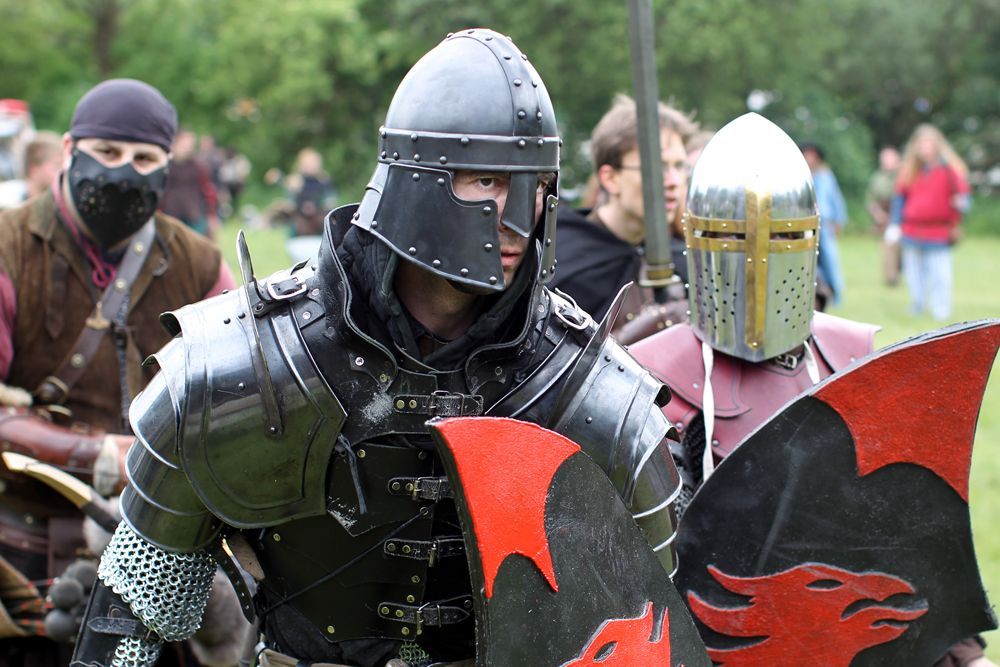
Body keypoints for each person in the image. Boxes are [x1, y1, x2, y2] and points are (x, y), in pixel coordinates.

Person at [71, 31, 682, 667]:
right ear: (414, 184)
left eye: (536, 185)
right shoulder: (241, 365)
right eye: (487, 181)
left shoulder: (593, 396)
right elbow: (129, 617)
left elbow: (650, 635)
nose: (515, 218)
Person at [630, 112, 991, 667]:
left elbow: (906, 536)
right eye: (730, 237)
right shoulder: (649, 378)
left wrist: (961, 654)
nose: (756, 267)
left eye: (783, 237)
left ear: (812, 239)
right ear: (696, 237)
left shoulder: (849, 359)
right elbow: (632, 575)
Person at [0, 78, 238, 665]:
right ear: (68, 149)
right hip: (20, 542)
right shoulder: (8, 246)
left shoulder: (200, 264)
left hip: (162, 552)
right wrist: (103, 456)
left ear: (166, 166)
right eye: (106, 152)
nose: (124, 171)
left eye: (144, 159)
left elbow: (238, 405)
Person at [549, 94, 696, 342]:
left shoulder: (681, 258)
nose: (674, 181)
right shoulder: (559, 258)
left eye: (680, 166)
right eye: (658, 167)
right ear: (610, 178)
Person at [894, 124, 970, 322]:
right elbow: (900, 199)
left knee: (940, 274)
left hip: (939, 230)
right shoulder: (909, 170)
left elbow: (964, 196)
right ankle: (917, 305)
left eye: (928, 144)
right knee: (913, 274)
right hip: (912, 229)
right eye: (921, 144)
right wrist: (894, 224)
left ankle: (941, 309)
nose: (925, 148)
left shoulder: (949, 169)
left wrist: (962, 204)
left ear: (937, 145)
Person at [801, 141, 848, 306]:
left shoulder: (826, 176)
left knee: (830, 261)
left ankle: (835, 294)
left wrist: (839, 221)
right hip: (805, 224)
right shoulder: (799, 176)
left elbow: (836, 200)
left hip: (825, 225)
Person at [158, 128, 220, 238]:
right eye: (184, 145)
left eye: (190, 145)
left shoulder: (199, 167)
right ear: (175, 144)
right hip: (169, 216)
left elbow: (209, 192)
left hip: (193, 217)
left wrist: (211, 215)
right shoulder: (165, 167)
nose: (188, 148)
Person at [284, 147, 336, 263]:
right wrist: (293, 191)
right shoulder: (296, 181)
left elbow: (330, 200)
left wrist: (320, 205)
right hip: (301, 218)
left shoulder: (323, 181)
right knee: (300, 223)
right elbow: (289, 203)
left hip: (318, 217)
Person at [866, 146, 901, 285]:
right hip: (884, 217)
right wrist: (878, 214)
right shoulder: (877, 178)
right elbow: (871, 200)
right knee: (887, 247)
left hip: (903, 217)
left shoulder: (905, 175)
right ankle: (891, 278)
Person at [0, 131, 62, 210]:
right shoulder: (9, 205)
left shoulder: (58, 205)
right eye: (57, 166)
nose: (62, 171)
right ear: (34, 169)